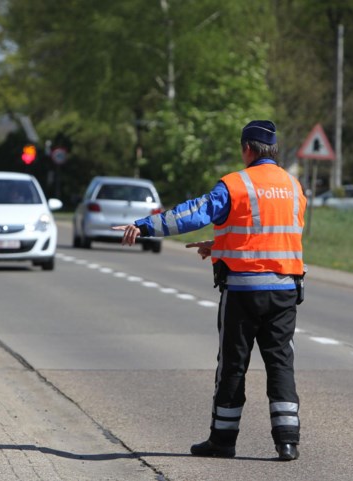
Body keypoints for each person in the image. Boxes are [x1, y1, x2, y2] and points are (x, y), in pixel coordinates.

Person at [114, 120, 306, 461]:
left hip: (244, 292)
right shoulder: (293, 186)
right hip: (285, 290)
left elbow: (190, 214)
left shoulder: (236, 184)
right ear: (273, 150)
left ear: (247, 148)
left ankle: (222, 440)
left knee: (233, 365)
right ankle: (287, 441)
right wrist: (219, 246)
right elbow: (268, 237)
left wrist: (143, 226)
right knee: (280, 364)